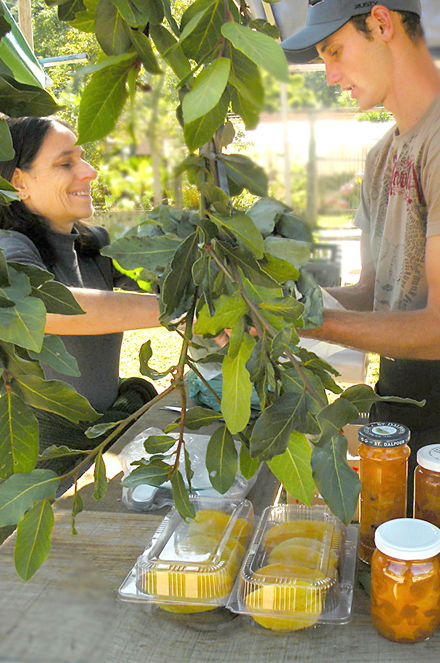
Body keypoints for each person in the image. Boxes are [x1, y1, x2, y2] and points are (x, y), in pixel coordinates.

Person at [281, 0, 440, 504]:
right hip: (397, 394)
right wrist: (276, 304)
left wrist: (304, 322)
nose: (330, 76)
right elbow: (372, 293)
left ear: (382, 22)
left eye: (334, 52)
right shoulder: (380, 156)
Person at [0, 115, 161, 475]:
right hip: (36, 461)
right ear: (18, 183)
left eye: (83, 158)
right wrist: (172, 311)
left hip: (102, 442)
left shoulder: (95, 245)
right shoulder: (6, 251)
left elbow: (161, 277)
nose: (89, 172)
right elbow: (42, 308)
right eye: (65, 163)